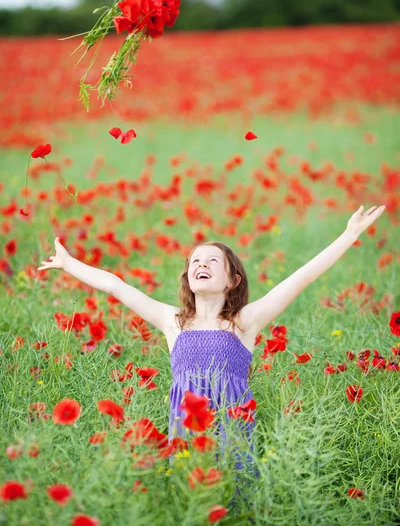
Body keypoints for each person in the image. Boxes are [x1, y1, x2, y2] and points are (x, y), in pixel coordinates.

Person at [37, 205, 386, 499]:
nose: (200, 264)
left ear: (232, 279)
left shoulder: (243, 322)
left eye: (212, 261)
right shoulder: (172, 322)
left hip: (232, 428)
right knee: (192, 496)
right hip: (187, 431)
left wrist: (349, 235)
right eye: (195, 261)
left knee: (234, 495)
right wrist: (70, 265)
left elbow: (300, 279)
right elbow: (116, 285)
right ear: (188, 276)